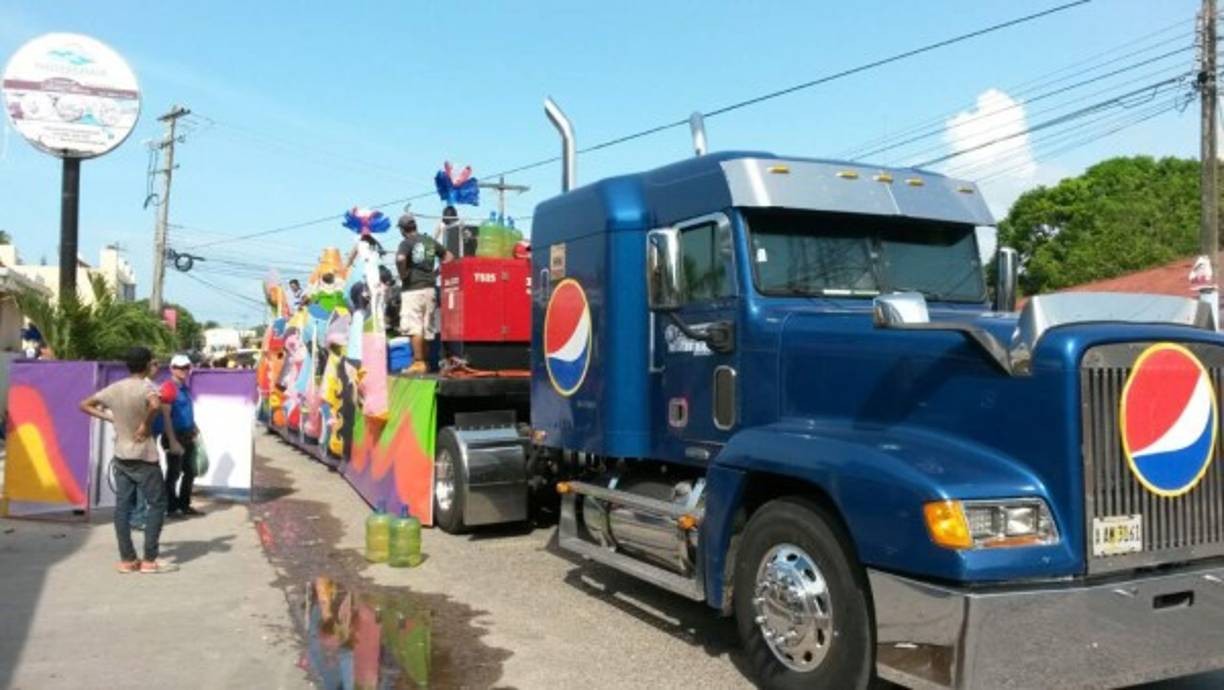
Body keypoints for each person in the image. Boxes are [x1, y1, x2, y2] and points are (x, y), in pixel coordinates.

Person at [79, 346, 175, 574]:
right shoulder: (147, 386)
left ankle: (127, 559)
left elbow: (83, 404)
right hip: (144, 455)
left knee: (122, 507)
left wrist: (109, 417)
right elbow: (154, 405)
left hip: (121, 455)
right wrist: (145, 424)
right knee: (158, 504)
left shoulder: (115, 388)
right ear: (146, 365)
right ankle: (149, 560)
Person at [395, 212, 452, 374]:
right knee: (427, 328)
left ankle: (418, 362)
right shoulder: (429, 241)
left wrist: (403, 274)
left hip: (412, 289)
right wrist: (436, 273)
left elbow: (400, 259)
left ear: (403, 230)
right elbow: (449, 256)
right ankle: (425, 363)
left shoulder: (406, 243)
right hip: (430, 289)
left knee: (414, 328)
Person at [156, 354, 201, 518]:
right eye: (178, 367)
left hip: (187, 434)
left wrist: (194, 427)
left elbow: (184, 411)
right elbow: (166, 416)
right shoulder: (168, 388)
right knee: (174, 473)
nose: (182, 370)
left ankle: (184, 504)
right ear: (171, 368)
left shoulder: (184, 387)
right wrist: (173, 441)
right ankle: (171, 507)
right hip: (174, 436)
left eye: (186, 367)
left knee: (190, 471)